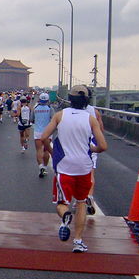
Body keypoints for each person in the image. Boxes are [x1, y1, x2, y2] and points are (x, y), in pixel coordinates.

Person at [39, 84, 107, 253]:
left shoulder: (60, 116)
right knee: (82, 202)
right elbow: (103, 146)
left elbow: (44, 137)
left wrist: (53, 152)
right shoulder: (90, 119)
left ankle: (65, 216)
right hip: (84, 167)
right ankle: (78, 241)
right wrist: (93, 149)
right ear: (86, 101)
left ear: (69, 99)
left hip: (64, 166)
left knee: (62, 203)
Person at [83, 91, 105, 215]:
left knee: (77, 173)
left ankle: (79, 198)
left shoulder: (69, 112)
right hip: (91, 145)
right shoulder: (94, 112)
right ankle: (89, 196)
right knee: (90, 172)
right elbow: (101, 130)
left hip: (75, 145)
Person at [32, 93, 53, 178]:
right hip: (47, 132)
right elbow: (53, 119)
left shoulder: (35, 108)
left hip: (37, 132)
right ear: (48, 100)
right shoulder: (50, 108)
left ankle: (40, 166)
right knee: (46, 151)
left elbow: (31, 119)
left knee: (39, 150)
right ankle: (44, 167)